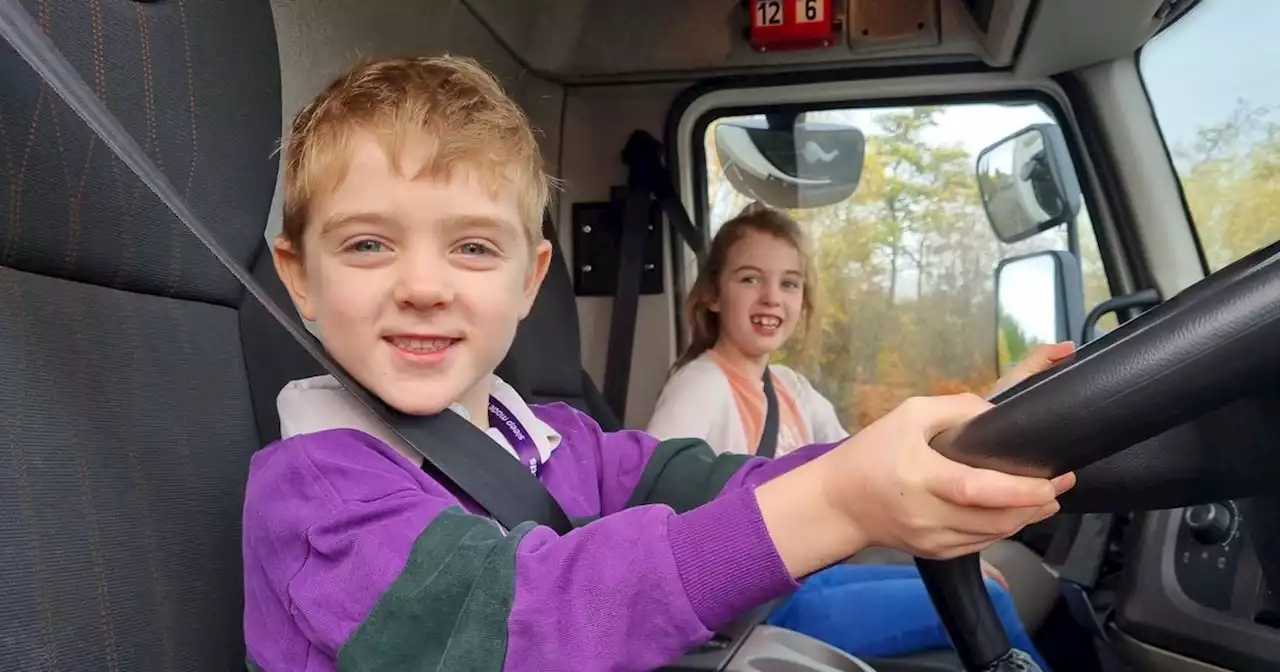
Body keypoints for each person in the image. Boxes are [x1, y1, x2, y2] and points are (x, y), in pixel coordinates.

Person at [241, 55, 1075, 672]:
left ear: (530, 281)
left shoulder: (556, 439)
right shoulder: (317, 490)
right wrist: (836, 502)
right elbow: (520, 619)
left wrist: (937, 441)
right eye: (367, 244)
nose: (422, 286)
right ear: (300, 279)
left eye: (470, 246)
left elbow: (714, 483)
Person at [647, 203, 1074, 663]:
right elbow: (654, 506)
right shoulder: (701, 385)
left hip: (801, 579)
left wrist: (992, 407)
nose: (772, 296)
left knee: (974, 584)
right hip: (753, 606)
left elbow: (870, 462)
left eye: (789, 283)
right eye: (750, 279)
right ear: (712, 295)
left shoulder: (791, 388)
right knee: (988, 602)